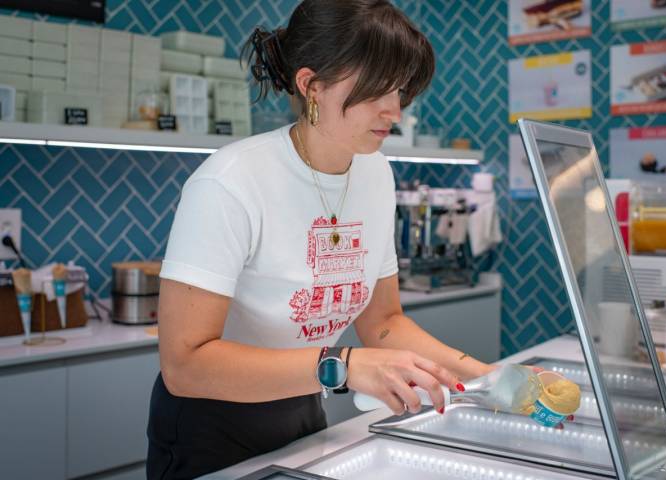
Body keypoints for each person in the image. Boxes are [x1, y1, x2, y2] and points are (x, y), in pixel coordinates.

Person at [146, 1, 496, 478]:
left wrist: (489, 378)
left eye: (399, 88)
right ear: (311, 84)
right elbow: (184, 365)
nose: (394, 108)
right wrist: (343, 364)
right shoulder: (230, 181)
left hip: (306, 411)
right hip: (210, 427)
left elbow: (385, 321)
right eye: (377, 88)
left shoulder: (375, 172)